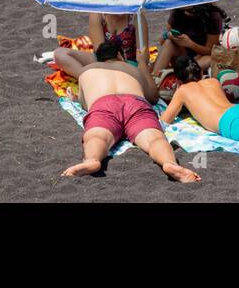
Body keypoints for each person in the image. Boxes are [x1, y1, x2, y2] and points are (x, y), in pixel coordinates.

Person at [53, 40, 198, 182]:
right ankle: (169, 163)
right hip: (134, 102)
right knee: (155, 139)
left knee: (97, 136)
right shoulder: (133, 69)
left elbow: (86, 105)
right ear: (119, 55)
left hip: (104, 103)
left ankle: (92, 160)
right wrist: (142, 65)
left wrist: (75, 99)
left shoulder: (87, 71)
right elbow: (153, 97)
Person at [151, 5, 223, 76]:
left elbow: (210, 50)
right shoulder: (177, 12)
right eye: (183, 10)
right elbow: (162, 42)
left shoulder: (212, 16)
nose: (185, 12)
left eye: (190, 10)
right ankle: (155, 77)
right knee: (168, 43)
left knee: (210, 60)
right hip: (182, 56)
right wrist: (168, 36)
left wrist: (190, 44)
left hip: (200, 57)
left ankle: (176, 73)